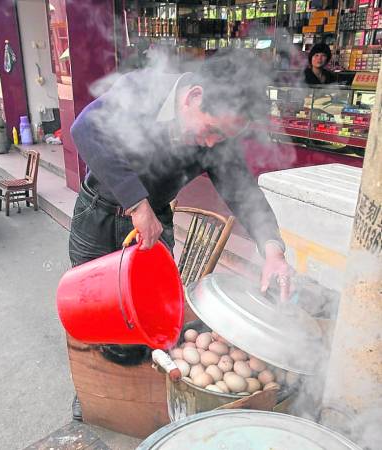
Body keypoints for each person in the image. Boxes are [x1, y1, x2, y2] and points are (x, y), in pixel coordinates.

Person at [69, 49, 292, 420]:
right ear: (193, 98)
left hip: (154, 223)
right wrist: (137, 204)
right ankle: (92, 390)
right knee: (93, 308)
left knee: (150, 311)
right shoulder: (142, 90)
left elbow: (242, 190)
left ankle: (141, 391)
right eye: (212, 130)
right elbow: (85, 129)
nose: (211, 145)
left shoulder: (216, 139)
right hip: (101, 214)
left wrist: (273, 249)